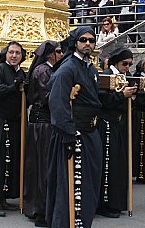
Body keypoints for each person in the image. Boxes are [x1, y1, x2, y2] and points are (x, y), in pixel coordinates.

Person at [46, 27, 102, 228]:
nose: (88, 43)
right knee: (71, 187)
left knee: (89, 185)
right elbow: (57, 103)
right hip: (74, 134)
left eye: (92, 40)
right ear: (76, 43)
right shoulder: (67, 68)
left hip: (91, 132)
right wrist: (68, 133)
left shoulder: (91, 69)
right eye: (83, 40)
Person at [0, 41, 26, 217]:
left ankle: (3, 197)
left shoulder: (21, 73)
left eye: (17, 53)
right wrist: (12, 88)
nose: (14, 56)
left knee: (10, 160)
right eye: (11, 52)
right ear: (6, 54)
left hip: (14, 121)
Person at [23, 40, 62, 227]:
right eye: (58, 51)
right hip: (42, 123)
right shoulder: (43, 71)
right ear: (49, 54)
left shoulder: (50, 69)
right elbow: (49, 97)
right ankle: (40, 210)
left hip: (45, 122)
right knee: (42, 167)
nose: (61, 54)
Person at [97, 47, 137, 218]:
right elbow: (102, 99)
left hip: (119, 125)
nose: (127, 67)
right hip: (106, 125)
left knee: (118, 165)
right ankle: (105, 204)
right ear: (116, 62)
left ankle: (116, 202)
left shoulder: (123, 77)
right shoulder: (105, 76)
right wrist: (122, 95)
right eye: (124, 63)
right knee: (108, 165)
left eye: (130, 64)